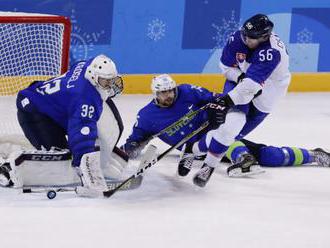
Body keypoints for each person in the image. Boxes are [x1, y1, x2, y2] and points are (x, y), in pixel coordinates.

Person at [121, 74, 330, 180]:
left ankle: (313, 155)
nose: (168, 95)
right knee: (261, 154)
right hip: (197, 150)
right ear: (155, 94)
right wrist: (130, 148)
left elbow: (217, 99)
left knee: (267, 156)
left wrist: (215, 106)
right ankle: (240, 157)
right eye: (163, 93)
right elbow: (136, 139)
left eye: (170, 90)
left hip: (215, 135)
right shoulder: (146, 116)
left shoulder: (187, 91)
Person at [187, 13, 295, 186]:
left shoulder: (271, 51)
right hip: (240, 82)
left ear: (264, 37)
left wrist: (226, 101)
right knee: (232, 123)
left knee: (231, 136)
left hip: (269, 93)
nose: (246, 40)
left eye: (251, 38)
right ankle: (208, 165)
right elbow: (225, 66)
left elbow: (251, 86)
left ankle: (191, 149)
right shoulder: (238, 38)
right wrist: (238, 76)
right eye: (245, 34)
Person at [0, 54, 126, 196]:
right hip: (35, 113)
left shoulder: (86, 66)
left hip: (49, 107)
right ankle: (9, 169)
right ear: (93, 76)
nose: (109, 85)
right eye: (105, 81)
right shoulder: (84, 97)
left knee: (72, 148)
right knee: (61, 159)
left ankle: (10, 146)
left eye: (111, 80)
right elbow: (81, 136)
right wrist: (87, 172)